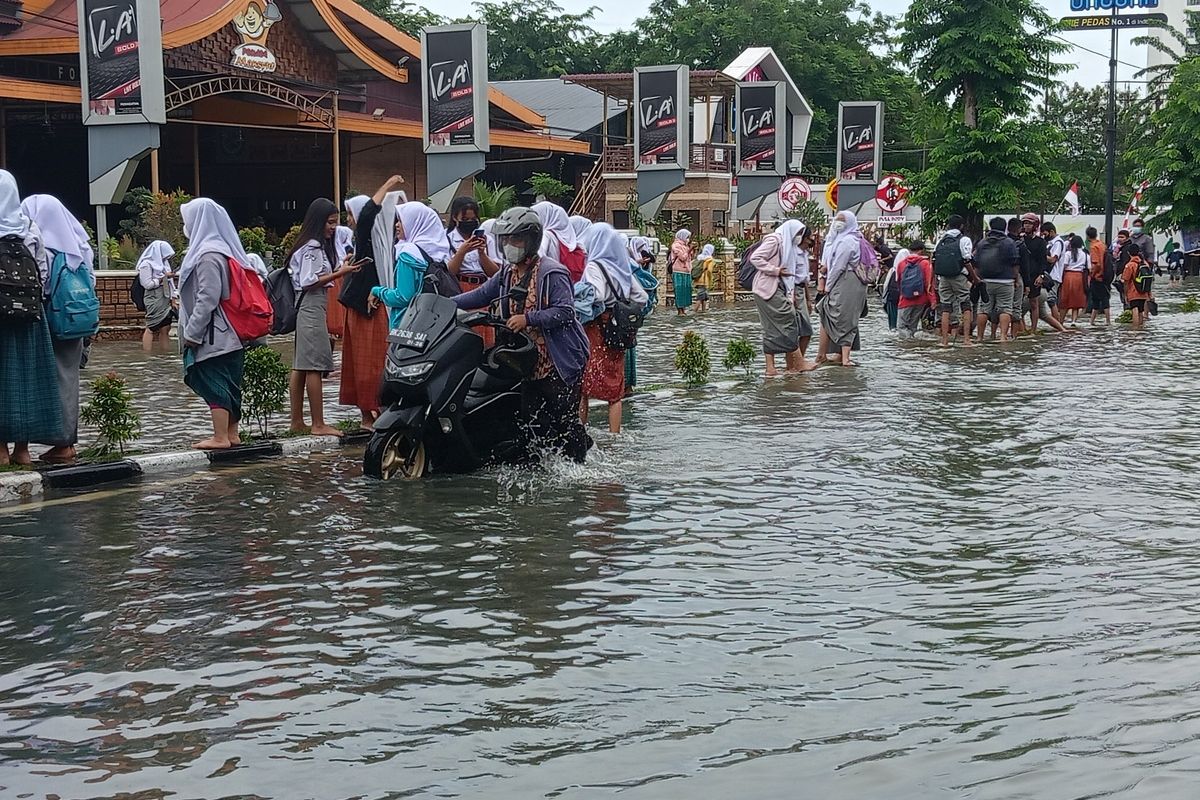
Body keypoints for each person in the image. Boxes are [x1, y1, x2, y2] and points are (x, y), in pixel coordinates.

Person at [453, 207, 590, 462]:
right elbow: (481, 295)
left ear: (531, 241)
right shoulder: (507, 273)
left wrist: (528, 318)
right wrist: (447, 303)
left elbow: (565, 312)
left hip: (557, 362)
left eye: (515, 239)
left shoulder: (552, 272)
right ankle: (543, 466)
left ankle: (578, 467)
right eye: (505, 239)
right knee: (532, 421)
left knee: (564, 420)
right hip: (527, 362)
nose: (509, 245)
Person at [21, 194, 97, 463]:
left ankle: (54, 444)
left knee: (42, 380)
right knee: (68, 380)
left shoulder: (41, 248)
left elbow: (40, 286)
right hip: (78, 321)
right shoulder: (79, 247)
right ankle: (65, 443)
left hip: (50, 321)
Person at [177, 198, 249, 450]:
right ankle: (231, 433)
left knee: (213, 379)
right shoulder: (225, 251)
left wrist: (192, 333)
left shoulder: (207, 256)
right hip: (231, 333)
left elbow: (207, 297)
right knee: (230, 382)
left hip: (214, 334)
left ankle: (220, 437)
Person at [0, 170, 62, 465]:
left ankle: (0, 450)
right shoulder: (29, 227)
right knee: (26, 378)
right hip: (30, 317)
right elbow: (43, 272)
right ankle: (22, 450)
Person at [286, 198, 361, 437]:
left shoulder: (308, 247)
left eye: (335, 222)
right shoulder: (313, 248)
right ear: (318, 222)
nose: (333, 227)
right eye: (330, 222)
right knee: (314, 365)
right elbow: (309, 281)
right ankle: (318, 423)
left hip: (307, 306)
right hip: (311, 306)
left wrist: (340, 266)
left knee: (300, 365)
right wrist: (342, 273)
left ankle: (297, 421)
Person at [339, 176, 404, 432]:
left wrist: (387, 186)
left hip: (374, 308)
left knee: (375, 361)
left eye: (350, 215)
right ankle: (367, 415)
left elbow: (367, 214)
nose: (348, 220)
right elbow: (367, 215)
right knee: (361, 362)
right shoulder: (364, 242)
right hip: (361, 307)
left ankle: (377, 411)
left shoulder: (380, 243)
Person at [579, 223, 648, 434]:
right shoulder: (622, 266)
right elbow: (642, 297)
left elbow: (597, 294)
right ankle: (615, 436)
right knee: (615, 383)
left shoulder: (594, 266)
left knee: (584, 384)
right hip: (618, 329)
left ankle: (580, 430)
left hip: (596, 327)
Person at [369, 201, 451, 328]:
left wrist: (377, 291)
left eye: (401, 221)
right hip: (432, 323)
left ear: (415, 222)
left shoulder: (409, 253)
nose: (396, 225)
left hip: (407, 324)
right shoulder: (438, 250)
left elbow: (403, 297)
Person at [750, 219, 811, 376]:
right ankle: (798, 362)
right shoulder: (775, 240)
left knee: (772, 327)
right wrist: (775, 270)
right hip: (766, 288)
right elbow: (755, 258)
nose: (799, 236)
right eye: (798, 232)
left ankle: (772, 368)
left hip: (776, 288)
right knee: (788, 318)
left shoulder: (787, 245)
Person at [815, 211, 868, 367]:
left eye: (842, 220)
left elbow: (838, 266)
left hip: (846, 282)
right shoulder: (839, 239)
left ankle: (842, 357)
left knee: (842, 316)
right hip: (846, 281)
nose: (838, 222)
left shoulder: (848, 241)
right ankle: (827, 355)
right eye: (837, 219)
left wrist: (827, 286)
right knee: (830, 314)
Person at [971, 217, 1019, 342]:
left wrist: (976, 280)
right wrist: (1015, 279)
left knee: (983, 309)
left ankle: (980, 337)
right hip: (1005, 281)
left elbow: (976, 263)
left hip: (986, 281)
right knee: (1005, 309)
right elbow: (1015, 262)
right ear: (1005, 227)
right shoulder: (1009, 242)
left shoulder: (982, 243)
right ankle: (1003, 337)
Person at [932, 214, 976, 347]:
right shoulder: (964, 240)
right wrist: (974, 277)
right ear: (961, 226)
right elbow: (967, 260)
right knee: (966, 306)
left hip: (943, 278)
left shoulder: (940, 240)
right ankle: (966, 339)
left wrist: (933, 280)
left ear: (948, 225)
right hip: (959, 276)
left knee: (946, 308)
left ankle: (945, 341)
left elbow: (933, 260)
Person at [136, 240, 177, 351]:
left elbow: (171, 283)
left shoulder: (164, 264)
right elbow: (147, 284)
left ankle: (165, 353)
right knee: (151, 326)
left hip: (165, 297)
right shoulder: (146, 265)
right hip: (154, 298)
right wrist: (162, 278)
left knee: (166, 327)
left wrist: (173, 299)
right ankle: (147, 354)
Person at [532, 201, 585, 282]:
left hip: (547, 281)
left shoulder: (546, 235)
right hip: (561, 281)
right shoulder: (566, 239)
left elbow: (537, 257)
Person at [895, 240, 934, 340]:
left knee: (901, 326)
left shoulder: (902, 264)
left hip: (905, 299)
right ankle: (912, 345)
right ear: (921, 250)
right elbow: (929, 284)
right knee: (913, 326)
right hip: (921, 299)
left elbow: (899, 282)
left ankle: (906, 345)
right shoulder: (925, 264)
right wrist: (932, 301)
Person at [1058, 233, 1089, 324]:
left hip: (1068, 276)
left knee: (1065, 299)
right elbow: (1090, 268)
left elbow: (1064, 266)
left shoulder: (1067, 254)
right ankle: (1074, 321)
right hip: (1080, 277)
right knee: (1076, 299)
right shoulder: (1085, 255)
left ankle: (1061, 321)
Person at [1008, 218, 1030, 336]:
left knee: (1001, 307)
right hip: (1016, 278)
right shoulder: (1020, 245)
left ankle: (995, 335)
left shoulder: (1002, 242)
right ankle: (1013, 335)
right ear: (1019, 229)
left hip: (1000, 277)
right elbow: (1025, 266)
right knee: (1016, 308)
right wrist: (1027, 284)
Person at [1123, 242, 1151, 328]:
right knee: (1140, 311)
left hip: (1133, 292)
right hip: (1143, 292)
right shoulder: (1144, 264)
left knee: (1134, 309)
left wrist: (1125, 294)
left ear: (1128, 253)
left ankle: (1135, 329)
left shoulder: (1130, 265)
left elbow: (1126, 281)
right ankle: (1141, 328)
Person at [1088, 226, 1112, 325]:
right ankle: (1093, 321)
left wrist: (1092, 274)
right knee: (1102, 298)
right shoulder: (1102, 244)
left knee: (1097, 300)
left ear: (1087, 236)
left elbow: (1096, 264)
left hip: (1097, 277)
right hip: (1105, 275)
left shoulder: (1094, 247)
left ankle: (1106, 321)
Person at [670, 228, 693, 316]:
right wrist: (689, 250)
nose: (688, 239)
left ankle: (683, 309)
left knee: (685, 290)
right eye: (687, 237)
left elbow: (689, 257)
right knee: (679, 290)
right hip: (678, 271)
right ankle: (679, 310)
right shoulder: (676, 246)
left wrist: (691, 250)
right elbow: (682, 257)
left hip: (686, 271)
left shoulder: (685, 246)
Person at [693, 242, 716, 312]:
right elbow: (709, 270)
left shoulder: (699, 258)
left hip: (698, 278)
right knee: (700, 297)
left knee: (704, 297)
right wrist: (710, 279)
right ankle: (694, 311)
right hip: (704, 280)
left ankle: (704, 311)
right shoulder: (710, 260)